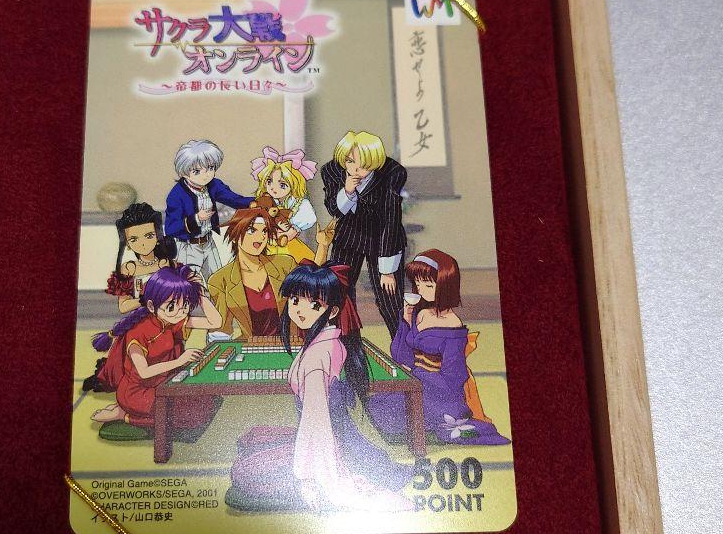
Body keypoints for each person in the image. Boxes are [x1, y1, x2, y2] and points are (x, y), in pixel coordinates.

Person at [225, 262, 413, 512]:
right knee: (252, 440)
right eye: (295, 300)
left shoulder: (317, 358)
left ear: (332, 311)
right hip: (331, 437)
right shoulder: (327, 341)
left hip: (325, 445)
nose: (300, 310)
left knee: (244, 472)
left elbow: (318, 424)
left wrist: (310, 477)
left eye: (314, 305)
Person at [368, 249, 510, 446]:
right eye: (418, 283)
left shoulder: (453, 325)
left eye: (428, 285)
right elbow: (401, 357)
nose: (421, 290)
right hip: (416, 381)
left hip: (440, 393)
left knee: (394, 416)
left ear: (445, 285)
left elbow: (454, 377)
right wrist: (406, 322)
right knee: (377, 405)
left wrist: (417, 375)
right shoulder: (420, 312)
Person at [90, 265, 223, 429]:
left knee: (207, 403)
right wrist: (180, 361)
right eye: (172, 306)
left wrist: (199, 293)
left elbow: (215, 322)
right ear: (152, 306)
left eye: (186, 305)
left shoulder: (171, 320)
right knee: (192, 418)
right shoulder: (138, 332)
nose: (181, 312)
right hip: (137, 392)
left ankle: (127, 411)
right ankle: (124, 415)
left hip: (164, 385)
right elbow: (144, 372)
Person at [320, 130, 407, 337]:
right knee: (341, 294)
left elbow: (390, 221)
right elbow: (334, 209)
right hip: (349, 236)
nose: (355, 169)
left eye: (364, 165)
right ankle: (345, 347)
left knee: (389, 297)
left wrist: (387, 271)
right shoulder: (332, 170)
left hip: (382, 239)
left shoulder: (392, 174)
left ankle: (403, 348)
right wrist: (347, 192)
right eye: (350, 162)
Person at [164, 139, 253, 280]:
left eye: (210, 168)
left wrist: (254, 203)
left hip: (208, 242)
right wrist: (196, 218)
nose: (206, 175)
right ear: (184, 172)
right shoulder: (176, 194)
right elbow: (170, 228)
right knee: (189, 285)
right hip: (188, 247)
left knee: (217, 280)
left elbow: (234, 199)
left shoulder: (213, 185)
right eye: (197, 171)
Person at [207, 196, 294, 339]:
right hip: (251, 348)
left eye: (264, 231)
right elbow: (222, 330)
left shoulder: (285, 265)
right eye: (252, 230)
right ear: (235, 235)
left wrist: (322, 247)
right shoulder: (220, 280)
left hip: (291, 344)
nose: (260, 237)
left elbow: (311, 291)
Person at [105, 202, 178, 314]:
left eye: (149, 236)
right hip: (140, 317)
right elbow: (123, 307)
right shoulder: (129, 268)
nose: (143, 243)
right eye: (134, 239)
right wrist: (145, 299)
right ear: (127, 244)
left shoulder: (166, 264)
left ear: (158, 236)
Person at [249, 146, 318, 263]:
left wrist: (293, 231)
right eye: (269, 181)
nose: (273, 188)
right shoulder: (265, 200)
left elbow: (308, 218)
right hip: (266, 241)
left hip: (288, 243)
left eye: (282, 185)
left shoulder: (298, 203)